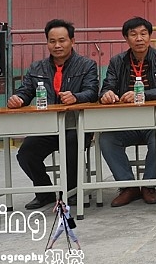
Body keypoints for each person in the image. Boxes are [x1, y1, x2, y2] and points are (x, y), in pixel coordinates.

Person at [9, 19, 99, 210]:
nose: (57, 45)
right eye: (52, 41)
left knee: (72, 143)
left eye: (62, 40)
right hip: (48, 127)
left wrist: (76, 97)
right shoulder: (37, 67)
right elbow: (25, 91)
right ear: (47, 43)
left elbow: (92, 93)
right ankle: (45, 192)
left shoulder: (87, 65)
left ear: (72, 41)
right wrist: (18, 99)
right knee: (26, 153)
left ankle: (72, 191)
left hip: (76, 126)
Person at [98, 17, 156, 207]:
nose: (139, 38)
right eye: (133, 34)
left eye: (143, 34)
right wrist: (106, 94)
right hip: (126, 123)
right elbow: (106, 87)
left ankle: (149, 185)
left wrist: (140, 95)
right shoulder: (117, 62)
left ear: (150, 36)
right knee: (106, 139)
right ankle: (129, 187)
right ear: (126, 38)